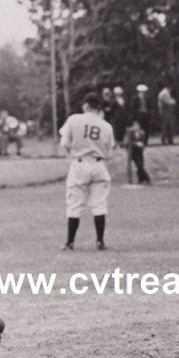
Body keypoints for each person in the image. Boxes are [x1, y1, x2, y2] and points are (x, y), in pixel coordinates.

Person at [59, 93, 116, 250]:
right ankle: (100, 241)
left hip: (79, 162)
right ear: (99, 108)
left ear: (85, 106)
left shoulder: (74, 119)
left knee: (74, 203)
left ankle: (70, 242)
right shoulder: (106, 126)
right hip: (98, 164)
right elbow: (110, 150)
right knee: (99, 203)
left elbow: (64, 142)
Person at [124, 118, 151, 185]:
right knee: (139, 165)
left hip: (139, 150)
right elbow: (127, 142)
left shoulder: (142, 132)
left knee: (141, 164)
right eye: (135, 126)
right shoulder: (130, 132)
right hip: (133, 151)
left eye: (137, 126)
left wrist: (142, 145)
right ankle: (147, 178)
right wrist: (135, 144)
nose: (136, 127)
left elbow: (143, 141)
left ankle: (141, 179)